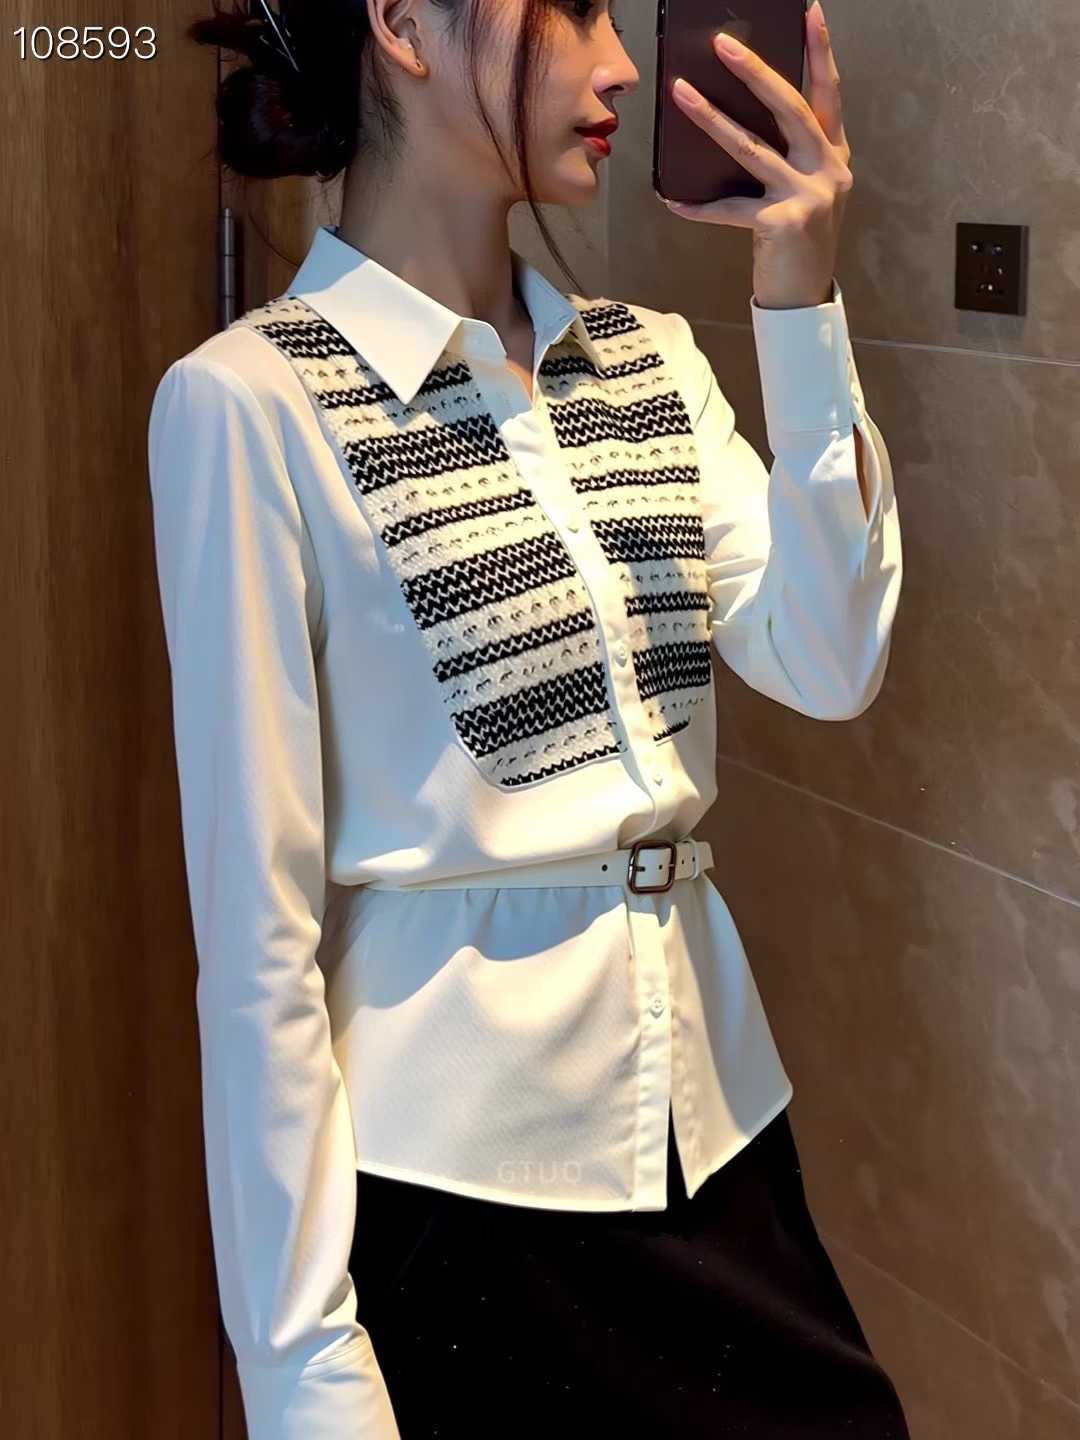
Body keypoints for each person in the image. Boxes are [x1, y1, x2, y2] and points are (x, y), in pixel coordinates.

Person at [147, 2, 909, 1437]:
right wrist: (305, 1377)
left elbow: (829, 658)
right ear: (402, 23)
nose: (617, 62)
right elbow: (255, 948)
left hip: (715, 1131)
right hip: (459, 1201)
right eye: (565, 8)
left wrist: (800, 301)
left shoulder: (648, 361)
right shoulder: (249, 406)